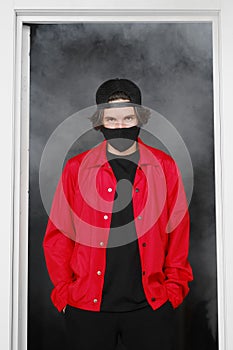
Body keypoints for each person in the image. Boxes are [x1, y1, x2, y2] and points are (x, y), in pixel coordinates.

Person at [43, 78, 193, 350]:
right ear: (100, 122)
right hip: (86, 308)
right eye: (112, 119)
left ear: (141, 118)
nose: (120, 126)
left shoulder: (165, 166)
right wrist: (64, 295)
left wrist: (173, 291)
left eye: (128, 117)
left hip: (151, 307)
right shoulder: (77, 169)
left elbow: (178, 232)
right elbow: (58, 237)